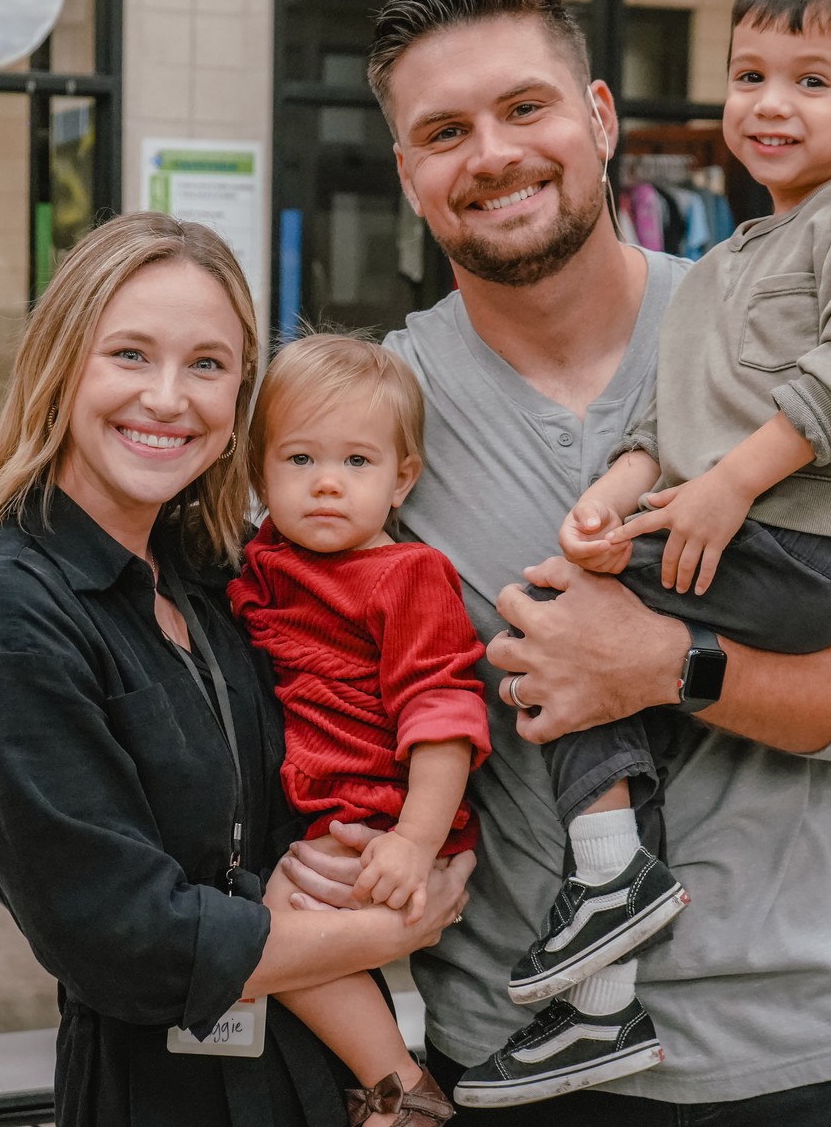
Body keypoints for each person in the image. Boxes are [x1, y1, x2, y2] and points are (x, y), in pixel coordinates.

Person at [276, 0, 831, 1123]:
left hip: (814, 1042)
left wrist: (666, 669)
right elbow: (308, 681)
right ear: (406, 172)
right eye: (442, 131)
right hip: (520, 1052)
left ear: (597, 119)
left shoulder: (791, 321)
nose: (491, 154)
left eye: (524, 107)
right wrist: (324, 847)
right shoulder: (365, 423)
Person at [0, 213, 474, 1127]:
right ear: (61, 367)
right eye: (130, 354)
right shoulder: (6, 615)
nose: (169, 399)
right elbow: (128, 941)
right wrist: (398, 925)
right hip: (161, 1096)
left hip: (320, 1076)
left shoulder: (222, 576)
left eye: (208, 365)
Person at [230, 333, 494, 1124]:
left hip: (386, 813)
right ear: (260, 472)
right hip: (327, 807)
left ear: (401, 477)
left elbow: (441, 716)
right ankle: (396, 1086)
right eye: (300, 460)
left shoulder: (406, 575)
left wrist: (415, 839)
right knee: (274, 937)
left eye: (356, 463)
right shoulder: (266, 562)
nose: (326, 486)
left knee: (274, 940)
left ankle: (402, 1092)